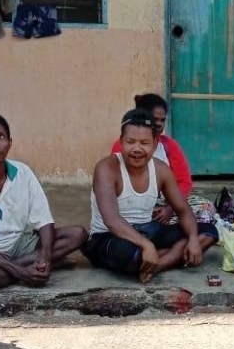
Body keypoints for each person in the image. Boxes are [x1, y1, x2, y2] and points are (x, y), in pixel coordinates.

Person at [0, 113, 87, 290]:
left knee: (78, 235)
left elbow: (44, 221)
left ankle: (30, 265)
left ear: (10, 143)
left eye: (1, 137)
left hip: (17, 244)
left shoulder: (23, 173)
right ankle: (33, 266)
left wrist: (44, 257)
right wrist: (20, 272)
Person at [87, 109, 217, 281]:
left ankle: (155, 264)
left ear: (155, 144)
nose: (137, 149)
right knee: (129, 255)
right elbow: (112, 220)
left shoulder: (161, 169)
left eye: (144, 143)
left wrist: (193, 239)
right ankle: (169, 254)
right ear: (121, 142)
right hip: (109, 237)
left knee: (209, 231)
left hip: (147, 230)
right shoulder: (106, 168)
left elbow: (183, 210)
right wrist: (146, 245)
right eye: (130, 142)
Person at [111, 94, 194, 225]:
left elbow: (184, 182)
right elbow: (115, 183)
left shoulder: (169, 145)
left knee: (206, 209)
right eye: (156, 119)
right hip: (132, 203)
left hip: (168, 202)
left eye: (163, 120)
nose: (160, 124)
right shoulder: (121, 146)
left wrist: (171, 208)